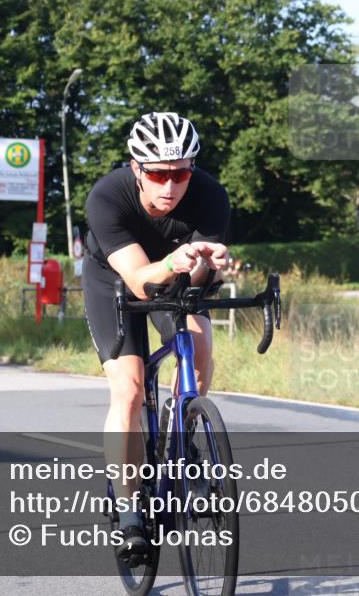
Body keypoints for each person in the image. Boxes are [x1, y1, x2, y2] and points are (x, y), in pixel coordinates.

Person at [82, 111, 231, 560]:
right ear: (136, 168)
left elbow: (200, 280)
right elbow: (139, 282)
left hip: (175, 275)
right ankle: (129, 513)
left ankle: (184, 436)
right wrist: (173, 262)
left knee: (199, 344)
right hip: (116, 278)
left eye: (181, 173)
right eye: (159, 174)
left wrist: (208, 260)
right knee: (127, 390)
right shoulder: (108, 196)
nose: (170, 187)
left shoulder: (209, 195)